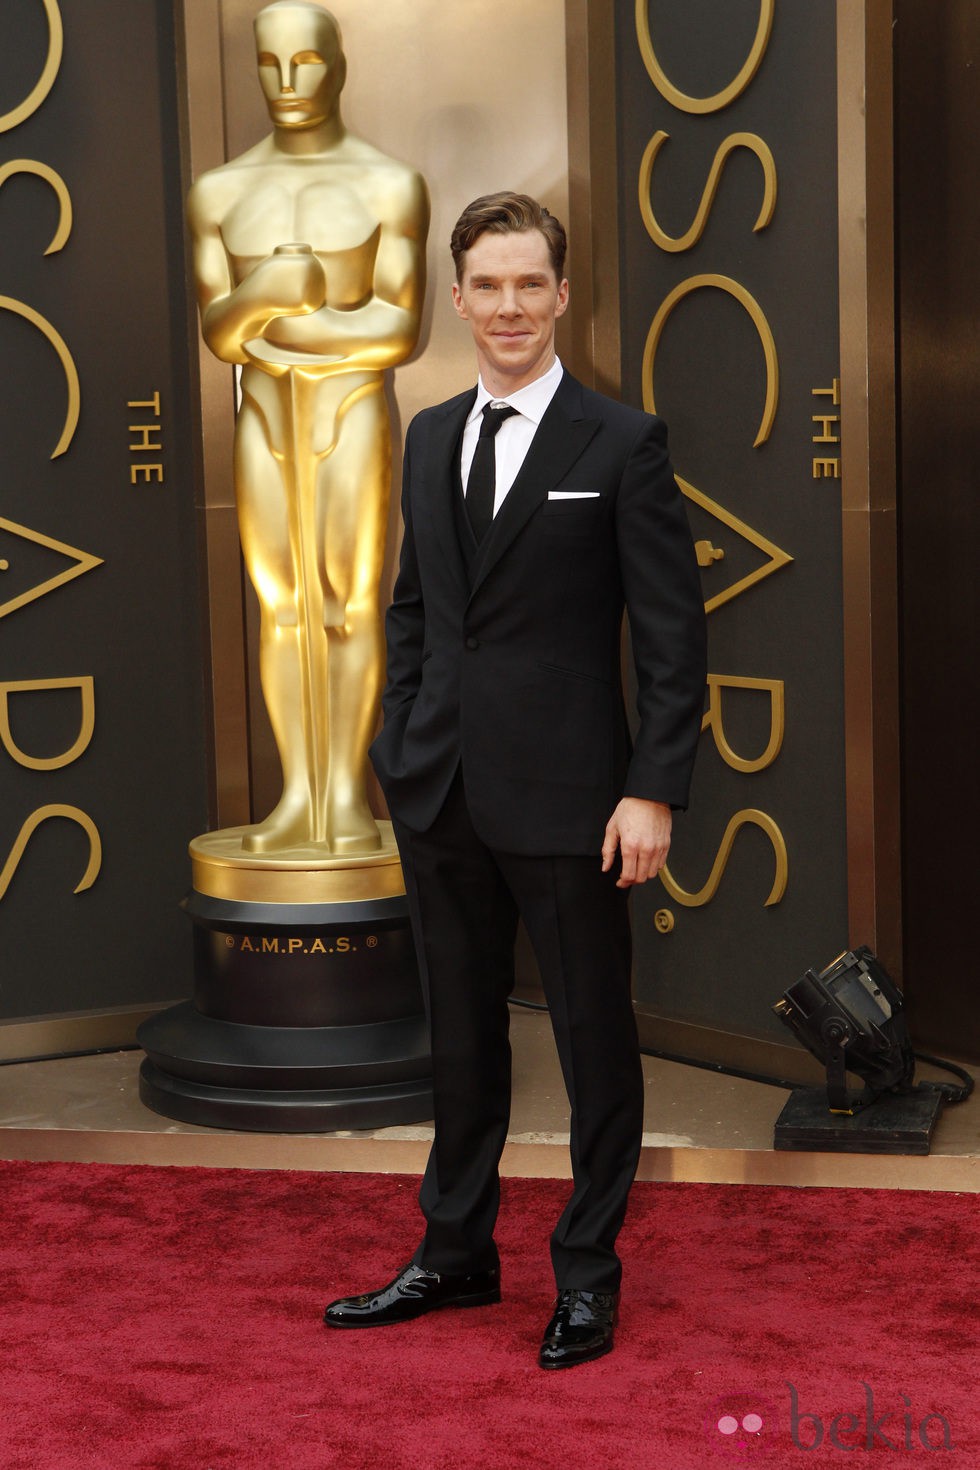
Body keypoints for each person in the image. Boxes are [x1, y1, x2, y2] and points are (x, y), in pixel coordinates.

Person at [323, 192, 706, 1368]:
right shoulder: (428, 432)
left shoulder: (620, 441)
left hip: (575, 800)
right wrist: (398, 739)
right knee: (460, 1040)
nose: (506, 307)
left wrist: (651, 787)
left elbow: (670, 634)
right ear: (455, 299)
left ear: (559, 293)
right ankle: (454, 1253)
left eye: (526, 284)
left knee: (593, 1038)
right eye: (484, 286)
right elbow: (413, 610)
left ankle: (585, 1275)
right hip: (438, 790)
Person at [187, 1, 428, 856]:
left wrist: (278, 323)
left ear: (340, 64)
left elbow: (400, 330)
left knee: (350, 604)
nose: (288, 84)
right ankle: (298, 795)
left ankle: (348, 797)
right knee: (283, 608)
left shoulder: (389, 184)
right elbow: (219, 334)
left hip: (352, 411)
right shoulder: (219, 191)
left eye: (308, 63)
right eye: (270, 64)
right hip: (265, 417)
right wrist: (263, 296)